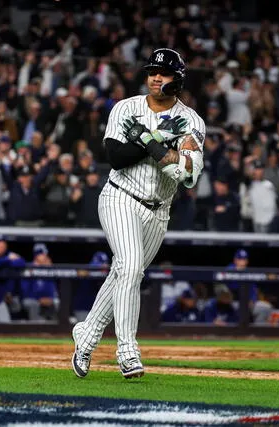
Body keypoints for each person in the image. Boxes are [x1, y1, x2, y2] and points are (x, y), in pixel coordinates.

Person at [71, 48, 205, 379]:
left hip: (159, 210)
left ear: (178, 80)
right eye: (152, 72)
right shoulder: (126, 108)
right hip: (120, 196)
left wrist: (146, 139)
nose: (156, 77)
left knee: (122, 273)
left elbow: (187, 174)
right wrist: (161, 146)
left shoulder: (191, 121)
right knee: (131, 268)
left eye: (164, 73)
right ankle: (127, 351)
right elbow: (116, 156)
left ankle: (87, 336)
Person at [20, 243, 60, 322]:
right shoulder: (28, 268)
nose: (46, 256)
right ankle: (35, 328)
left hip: (45, 299)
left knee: (56, 302)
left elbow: (52, 289)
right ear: (36, 255)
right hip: (31, 299)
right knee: (33, 304)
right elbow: (24, 291)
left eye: (45, 254)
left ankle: (54, 328)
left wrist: (50, 298)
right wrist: (38, 299)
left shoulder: (48, 268)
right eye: (43, 254)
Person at [72, 252, 109, 322]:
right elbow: (79, 272)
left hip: (96, 310)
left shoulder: (108, 274)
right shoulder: (86, 271)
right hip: (83, 309)